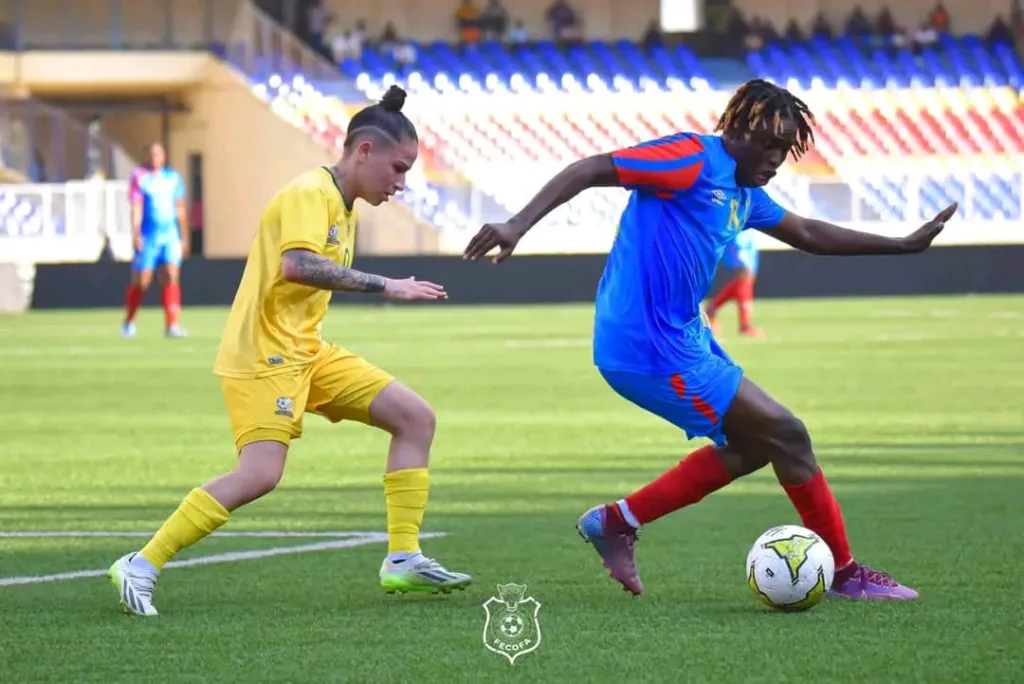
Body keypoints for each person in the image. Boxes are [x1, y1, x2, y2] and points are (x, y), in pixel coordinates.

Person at [463, 79, 958, 600]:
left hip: (684, 339)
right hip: (646, 345)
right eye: (766, 143)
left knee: (756, 444)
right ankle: (843, 572)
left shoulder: (745, 194)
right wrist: (517, 224)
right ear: (738, 128)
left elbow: (810, 234)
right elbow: (591, 168)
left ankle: (617, 521)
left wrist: (901, 245)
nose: (773, 158)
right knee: (788, 433)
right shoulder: (691, 158)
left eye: (783, 149)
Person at [109, 86, 472, 617]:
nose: (401, 182)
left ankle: (403, 558)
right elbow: (297, 266)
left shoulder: (344, 205)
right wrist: (385, 285)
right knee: (260, 474)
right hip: (263, 354)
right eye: (398, 168)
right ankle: (140, 564)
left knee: (415, 419)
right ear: (363, 151)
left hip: (307, 351)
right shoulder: (311, 193)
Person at [122, 142, 189, 339]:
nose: (155, 157)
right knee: (142, 281)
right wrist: (136, 234)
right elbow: (136, 207)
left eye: (158, 153)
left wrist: (184, 238)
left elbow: (180, 209)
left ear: (164, 156)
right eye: (151, 154)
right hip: (149, 235)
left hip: (170, 235)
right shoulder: (140, 177)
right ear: (146, 157)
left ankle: (172, 324)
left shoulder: (173, 178)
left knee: (171, 274)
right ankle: (129, 321)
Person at [706, 229, 763, 337]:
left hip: (747, 232)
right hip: (739, 232)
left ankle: (711, 309)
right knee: (744, 275)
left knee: (746, 278)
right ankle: (745, 325)